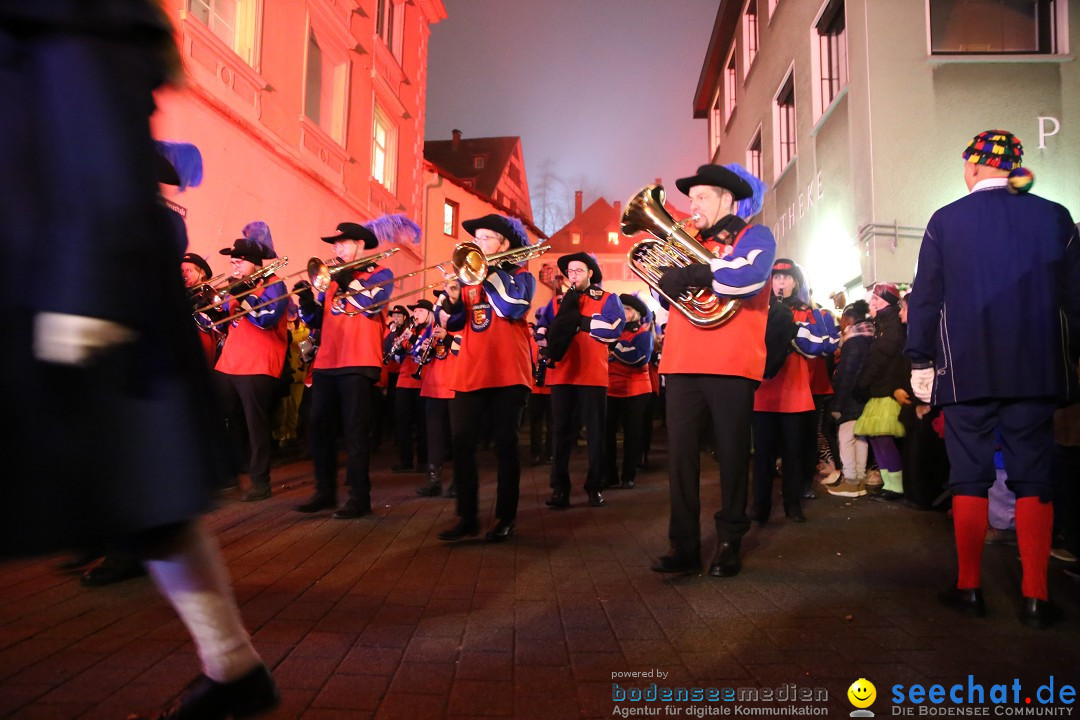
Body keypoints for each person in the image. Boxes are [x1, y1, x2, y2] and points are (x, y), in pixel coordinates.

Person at [0, 4, 279, 717]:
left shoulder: (73, 20)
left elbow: (91, 151)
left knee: (145, 484)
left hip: (73, 286)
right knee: (146, 492)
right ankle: (232, 666)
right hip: (62, 280)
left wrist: (80, 295)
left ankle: (233, 666)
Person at [906, 130, 1080, 629]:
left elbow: (925, 299)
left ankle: (969, 587)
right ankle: (1036, 596)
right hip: (1036, 369)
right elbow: (1075, 299)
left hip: (965, 372)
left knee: (969, 476)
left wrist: (920, 360)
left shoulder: (946, 220)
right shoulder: (1055, 216)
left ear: (975, 167)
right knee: (1034, 477)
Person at [649, 163, 775, 577]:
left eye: (702, 196)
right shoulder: (687, 239)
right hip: (683, 361)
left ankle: (728, 542)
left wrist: (697, 272)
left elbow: (752, 276)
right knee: (681, 458)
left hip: (731, 361)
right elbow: (667, 298)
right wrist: (663, 281)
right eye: (692, 197)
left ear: (728, 199)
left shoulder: (753, 235)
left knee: (733, 455)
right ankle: (683, 545)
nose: (693, 205)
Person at [436, 214, 536, 543]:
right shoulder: (469, 280)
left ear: (504, 244)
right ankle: (468, 516)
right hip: (471, 372)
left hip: (508, 371)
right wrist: (451, 296)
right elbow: (451, 323)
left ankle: (506, 518)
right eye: (476, 238)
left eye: (487, 238)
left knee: (506, 446)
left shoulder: (521, 275)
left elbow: (511, 307)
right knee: (461, 442)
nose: (478, 243)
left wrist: (488, 273)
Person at [295, 219, 404, 519]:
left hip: (358, 359)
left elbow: (372, 303)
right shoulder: (330, 279)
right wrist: (307, 303)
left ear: (359, 244)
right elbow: (321, 320)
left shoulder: (380, 272)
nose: (337, 247)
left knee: (355, 431)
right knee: (319, 427)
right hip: (328, 360)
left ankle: (359, 497)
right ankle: (324, 491)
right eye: (335, 244)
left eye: (343, 243)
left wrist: (347, 281)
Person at [750, 259, 839, 524]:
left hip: (795, 394)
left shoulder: (812, 313)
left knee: (794, 453)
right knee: (763, 455)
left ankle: (793, 504)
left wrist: (787, 328)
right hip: (764, 393)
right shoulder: (759, 310)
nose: (780, 283)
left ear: (795, 282)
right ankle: (761, 507)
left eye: (785, 278)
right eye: (776, 278)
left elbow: (825, 345)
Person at [536, 252, 625, 508]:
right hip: (562, 375)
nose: (573, 275)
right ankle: (559, 489)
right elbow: (542, 329)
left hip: (593, 376)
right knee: (561, 434)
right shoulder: (557, 302)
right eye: (570, 271)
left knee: (596, 435)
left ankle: (594, 486)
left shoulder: (608, 299)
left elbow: (614, 329)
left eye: (579, 270)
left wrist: (579, 322)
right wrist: (545, 340)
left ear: (590, 273)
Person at [214, 224, 289, 502]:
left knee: (255, 426)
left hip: (258, 364)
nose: (233, 265)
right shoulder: (234, 287)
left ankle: (260, 482)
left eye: (238, 261)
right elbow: (220, 320)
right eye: (231, 261)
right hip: (229, 363)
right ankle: (227, 475)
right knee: (224, 420)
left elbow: (265, 319)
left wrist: (245, 297)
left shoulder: (274, 283)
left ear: (253, 263)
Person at [853, 283, 909, 501]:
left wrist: (862, 383)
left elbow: (879, 359)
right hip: (880, 388)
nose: (871, 303)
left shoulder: (892, 325)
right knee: (877, 438)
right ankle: (889, 484)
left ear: (886, 300)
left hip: (888, 389)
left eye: (875, 299)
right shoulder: (883, 323)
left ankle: (896, 486)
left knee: (883, 438)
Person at [605, 293, 655, 490]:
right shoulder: (613, 332)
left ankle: (628, 475)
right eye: (620, 309)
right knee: (607, 435)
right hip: (611, 388)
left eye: (626, 309)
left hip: (636, 391)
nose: (622, 313)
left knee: (632, 434)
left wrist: (615, 348)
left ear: (635, 314)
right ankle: (609, 475)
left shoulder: (642, 333)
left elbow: (639, 358)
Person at [416, 285, 462, 498]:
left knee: (457, 436)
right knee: (433, 435)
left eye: (444, 300)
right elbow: (416, 354)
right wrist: (424, 347)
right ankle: (434, 479)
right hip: (433, 385)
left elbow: (466, 350)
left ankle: (459, 481)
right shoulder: (431, 325)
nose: (440, 305)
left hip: (456, 384)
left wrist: (446, 337)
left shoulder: (462, 322)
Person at [827, 301, 874, 497]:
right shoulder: (871, 336)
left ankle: (851, 480)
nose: (842, 323)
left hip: (850, 397)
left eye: (844, 319)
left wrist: (837, 403)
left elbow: (846, 374)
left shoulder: (854, 341)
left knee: (846, 436)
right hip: (864, 395)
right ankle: (860, 478)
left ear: (851, 319)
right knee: (860, 436)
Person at [390, 298, 433, 474]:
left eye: (420, 311)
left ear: (429, 314)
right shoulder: (409, 330)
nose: (416, 314)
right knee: (402, 421)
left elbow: (425, 353)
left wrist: (413, 338)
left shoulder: (431, 330)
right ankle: (405, 459)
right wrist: (398, 346)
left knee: (423, 423)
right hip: (404, 379)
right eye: (414, 312)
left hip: (423, 381)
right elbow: (398, 359)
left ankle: (424, 460)